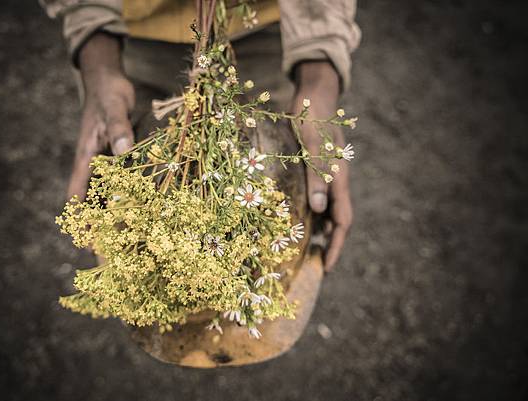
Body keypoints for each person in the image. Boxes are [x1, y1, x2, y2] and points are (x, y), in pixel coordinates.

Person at [40, 0, 361, 272]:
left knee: (265, 222)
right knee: (142, 223)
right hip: (126, 34)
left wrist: (318, 62)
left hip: (272, 29)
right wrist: (94, 41)